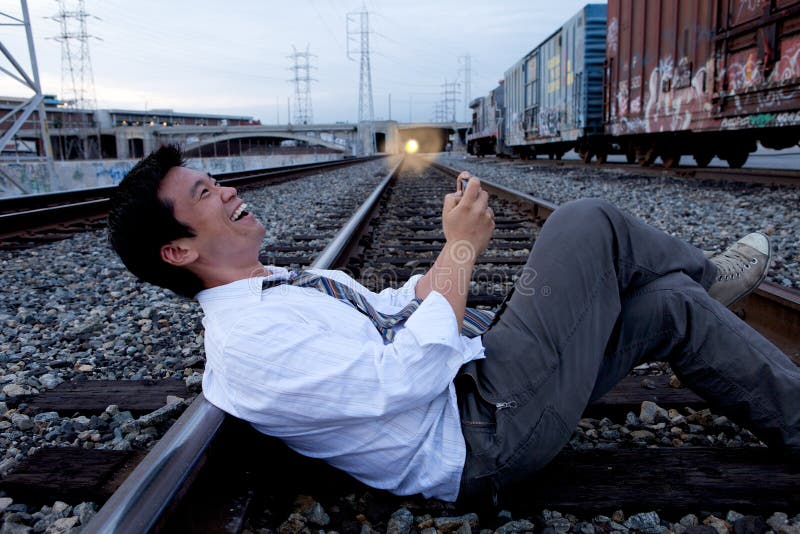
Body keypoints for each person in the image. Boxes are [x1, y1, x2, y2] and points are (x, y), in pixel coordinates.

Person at [108, 145, 799, 505]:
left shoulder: (275, 286)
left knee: (667, 306)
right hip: (483, 434)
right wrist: (459, 250)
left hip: (484, 386)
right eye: (204, 193)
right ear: (179, 251)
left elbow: (391, 307)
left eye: (215, 180)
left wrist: (449, 260)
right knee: (586, 223)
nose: (228, 189)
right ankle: (717, 280)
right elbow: (402, 376)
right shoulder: (246, 344)